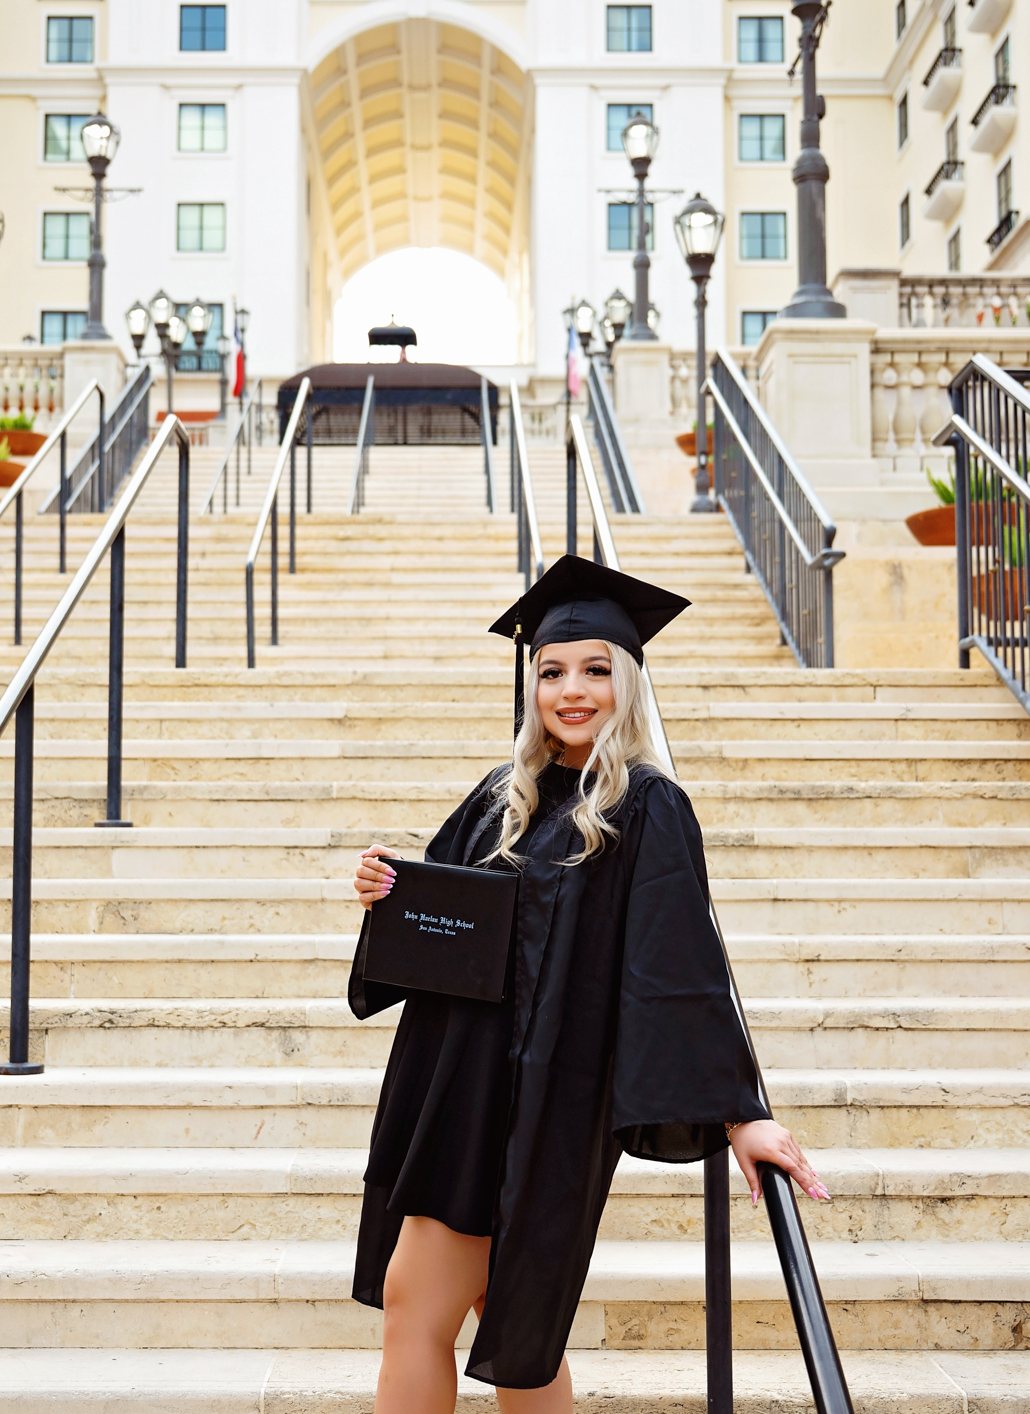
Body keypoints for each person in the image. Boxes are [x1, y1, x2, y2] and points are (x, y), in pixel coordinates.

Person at [343, 556, 828, 1413]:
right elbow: (432, 938)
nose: (572, 690)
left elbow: (677, 965)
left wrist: (739, 1109)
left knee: (426, 1313)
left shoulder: (647, 805)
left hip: (546, 1104)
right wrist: (385, 896)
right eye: (551, 671)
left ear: (628, 683)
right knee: (509, 1327)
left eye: (596, 670)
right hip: (458, 1085)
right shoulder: (503, 797)